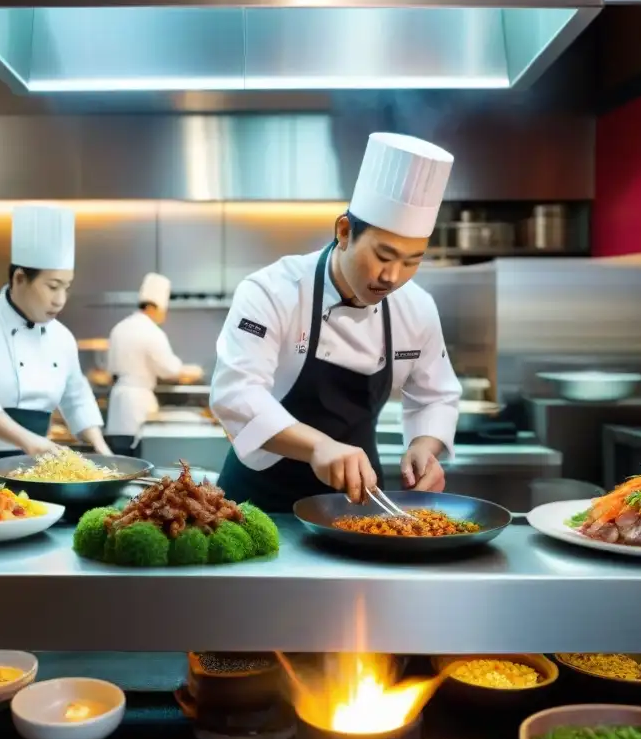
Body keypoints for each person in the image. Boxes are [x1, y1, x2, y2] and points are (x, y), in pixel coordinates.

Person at [209, 132, 463, 513]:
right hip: (257, 502)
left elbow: (436, 394)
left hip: (357, 501)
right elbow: (236, 393)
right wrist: (318, 446)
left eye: (412, 261)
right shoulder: (272, 291)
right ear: (344, 232)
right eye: (384, 255)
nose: (393, 276)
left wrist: (424, 447)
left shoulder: (417, 307)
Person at [0, 205, 111, 498]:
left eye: (66, 287)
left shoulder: (62, 337)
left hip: (33, 475)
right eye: (52, 286)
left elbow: (76, 397)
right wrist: (30, 442)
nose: (60, 299)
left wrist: (102, 450)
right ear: (19, 278)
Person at [105, 273, 202, 456]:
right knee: (139, 458)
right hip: (138, 406)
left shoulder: (119, 328)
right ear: (152, 306)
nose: (164, 314)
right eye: (163, 310)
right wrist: (191, 371)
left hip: (117, 405)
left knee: (120, 459)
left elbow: (111, 371)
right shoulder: (151, 331)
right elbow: (170, 370)